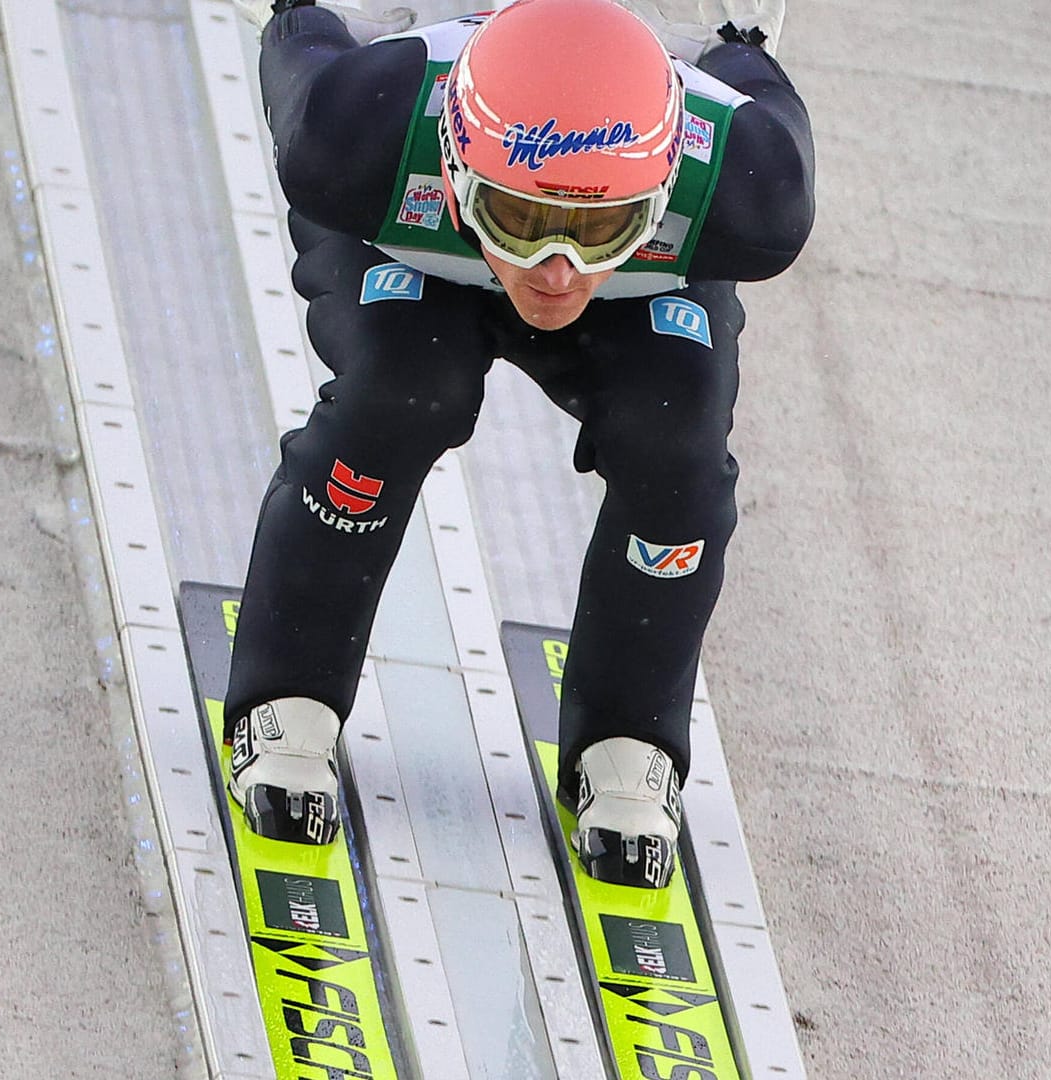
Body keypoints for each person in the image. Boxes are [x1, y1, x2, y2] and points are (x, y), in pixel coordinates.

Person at [221, 0, 814, 887]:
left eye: (597, 224)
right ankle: (288, 691)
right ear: (455, 156)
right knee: (398, 398)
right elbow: (301, 29)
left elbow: (743, 60)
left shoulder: (753, 189)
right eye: (525, 218)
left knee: (679, 457)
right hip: (425, 240)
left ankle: (629, 733)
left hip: (521, 246)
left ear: (664, 188)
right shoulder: (355, 131)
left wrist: (735, 50)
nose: (556, 272)